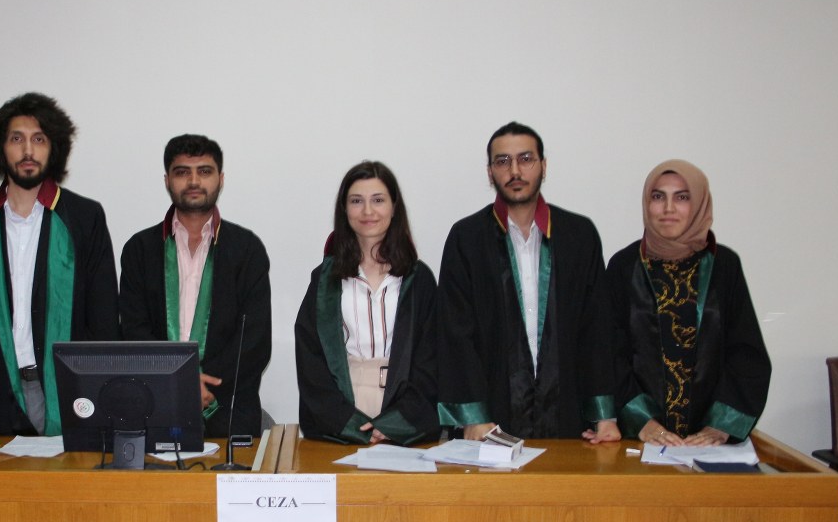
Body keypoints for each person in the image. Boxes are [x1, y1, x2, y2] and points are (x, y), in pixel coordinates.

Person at [0, 92, 119, 437]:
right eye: (16, 139)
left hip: (69, 392)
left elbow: (103, 316)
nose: (28, 151)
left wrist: (94, 389)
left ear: (54, 148)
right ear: (0, 149)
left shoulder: (84, 218)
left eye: (39, 139)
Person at [437, 122, 619, 442]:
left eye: (525, 159)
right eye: (503, 161)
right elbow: (455, 335)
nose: (515, 171)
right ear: (490, 172)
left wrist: (604, 415)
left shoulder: (579, 235)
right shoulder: (467, 238)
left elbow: (596, 330)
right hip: (490, 419)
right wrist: (472, 418)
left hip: (568, 415)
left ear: (543, 166)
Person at [607, 160, 770, 445]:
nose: (668, 208)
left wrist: (720, 425)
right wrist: (641, 421)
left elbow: (745, 354)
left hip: (707, 442)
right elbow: (609, 353)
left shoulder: (723, 266)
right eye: (658, 197)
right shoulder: (624, 266)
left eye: (682, 197)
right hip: (640, 439)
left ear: (699, 204)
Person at [119, 134, 271, 437]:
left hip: (229, 410)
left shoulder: (247, 248)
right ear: (167, 181)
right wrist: (176, 382)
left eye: (204, 171)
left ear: (220, 179)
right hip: (154, 406)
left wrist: (201, 384)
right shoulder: (140, 249)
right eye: (182, 172)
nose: (193, 181)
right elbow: (134, 331)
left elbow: (254, 340)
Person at [295, 161, 439, 445]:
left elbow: (431, 359)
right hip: (341, 415)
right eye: (356, 201)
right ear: (344, 210)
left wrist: (397, 423)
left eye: (378, 200)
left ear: (394, 207)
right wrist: (347, 422)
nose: (368, 211)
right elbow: (311, 360)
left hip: (404, 412)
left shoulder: (418, 279)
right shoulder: (325, 280)